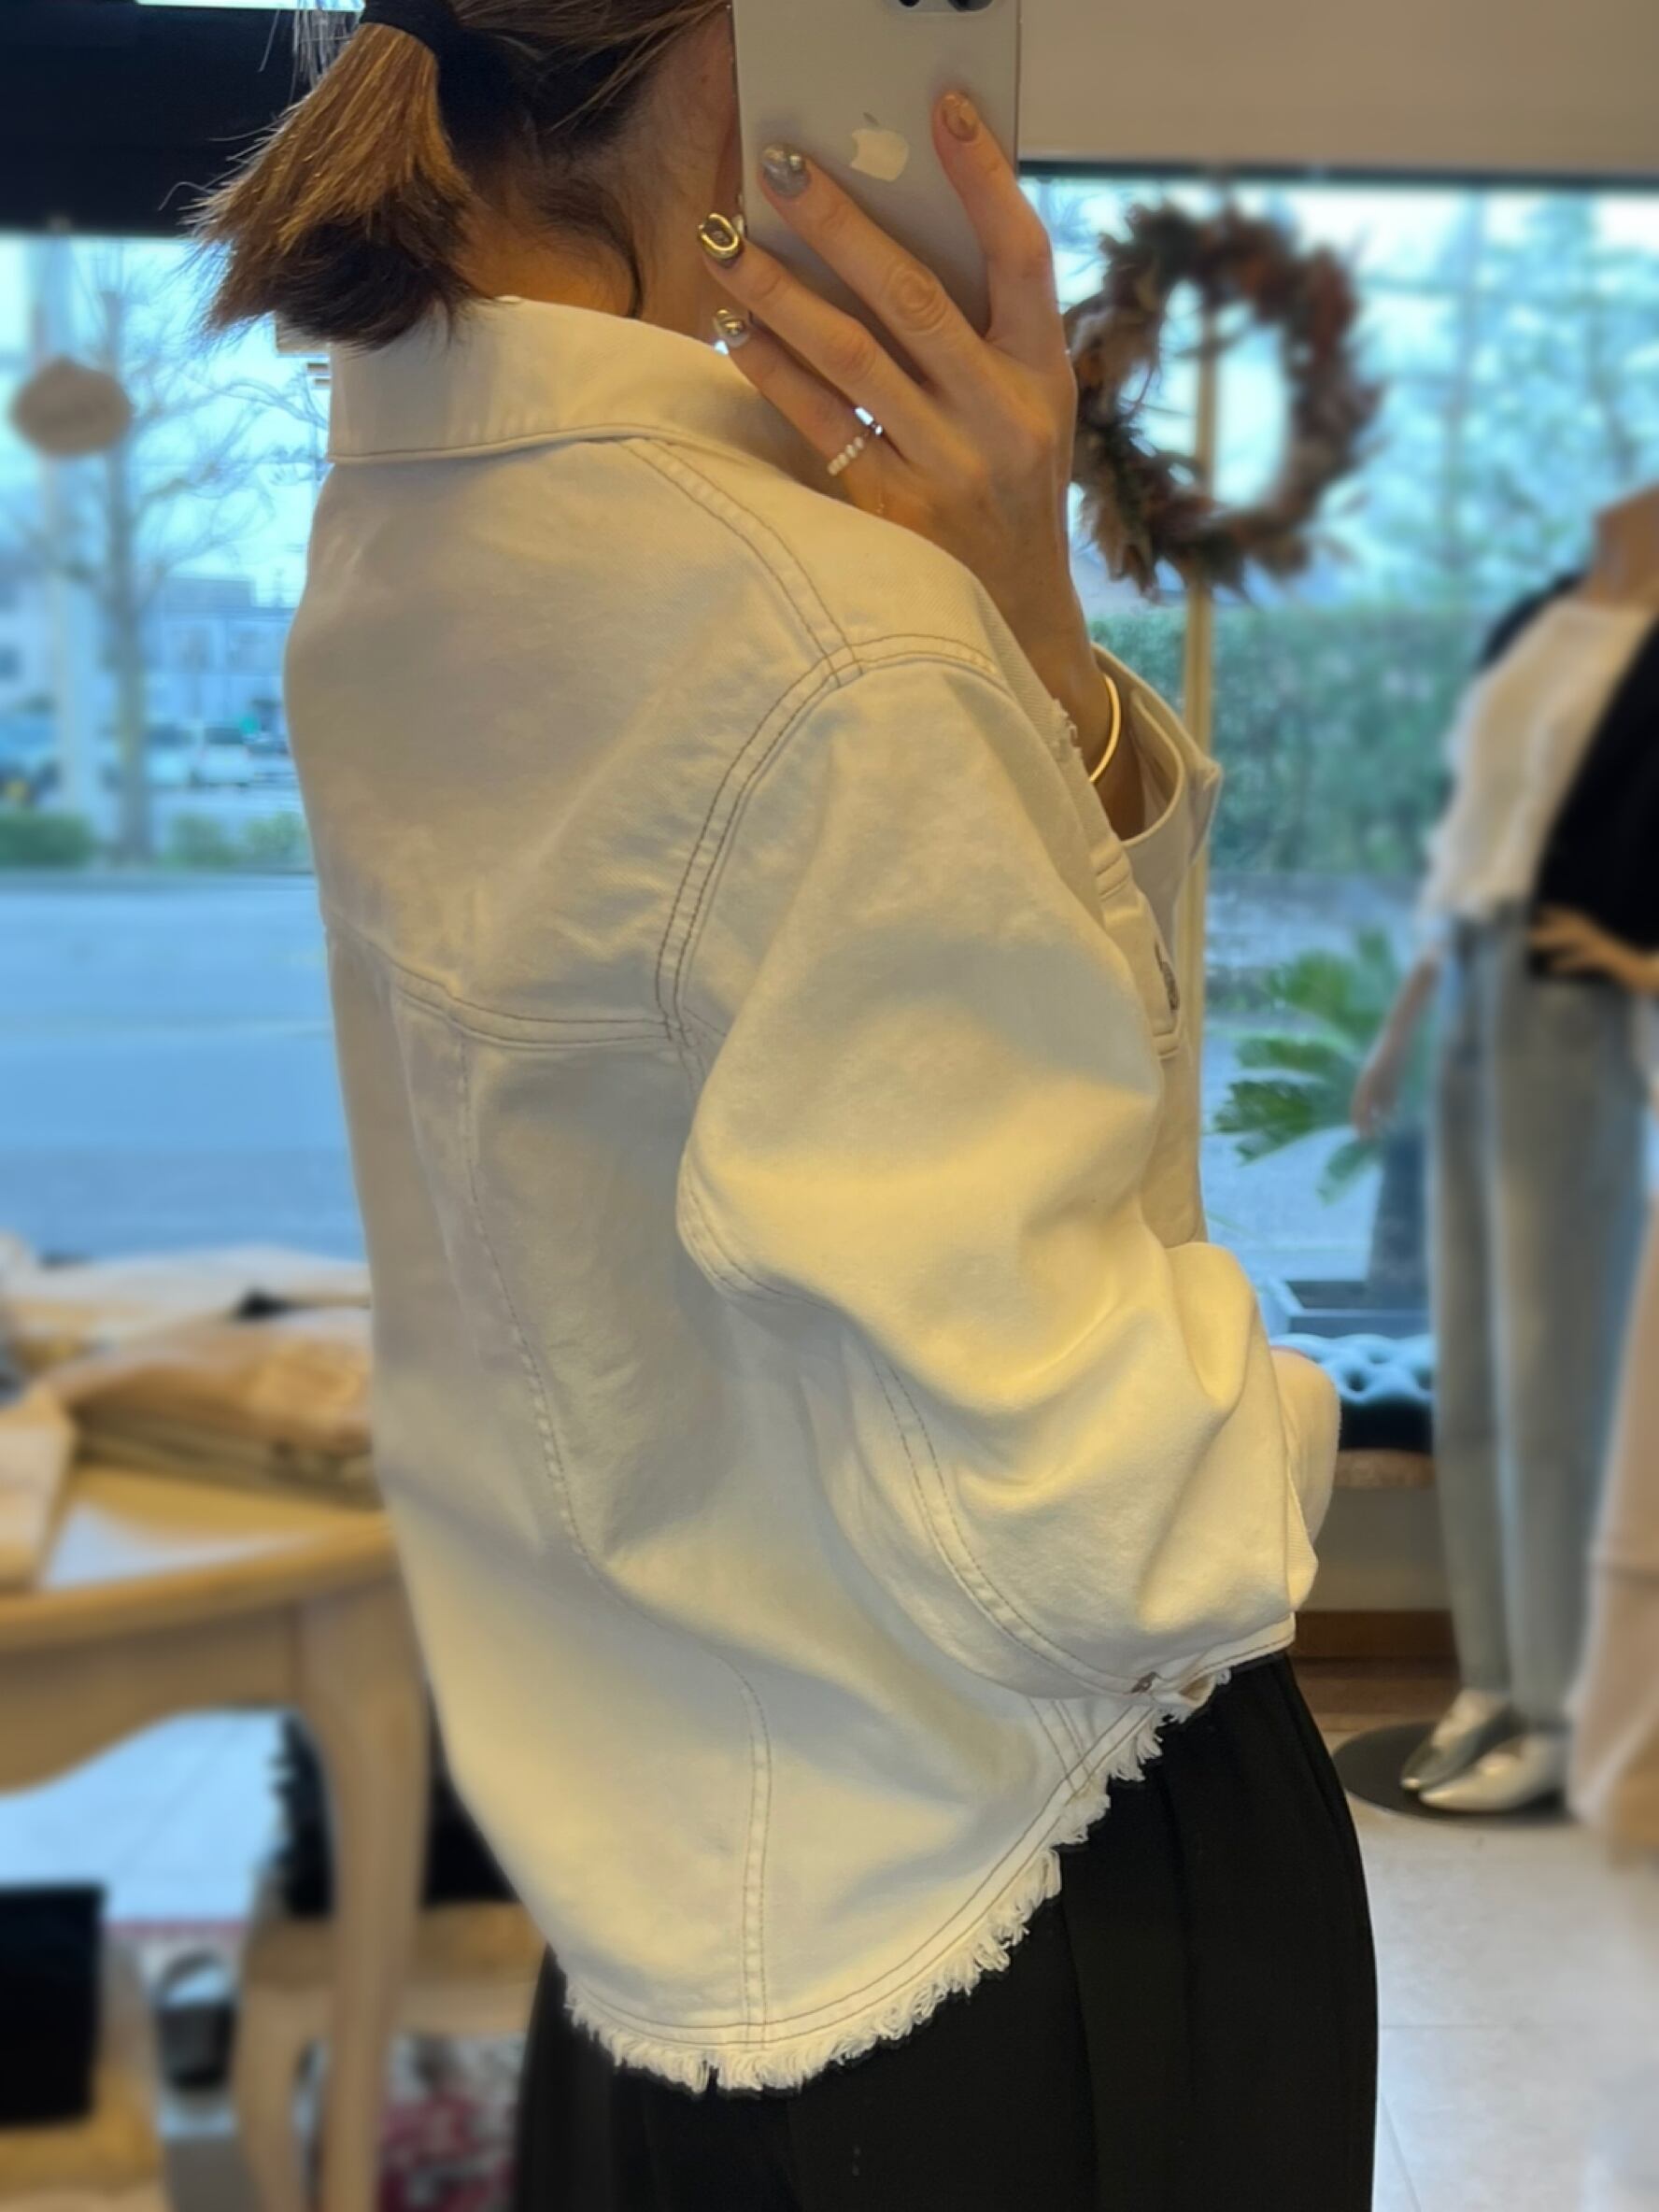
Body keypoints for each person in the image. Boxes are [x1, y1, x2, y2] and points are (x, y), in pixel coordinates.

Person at [203, 3, 1372, 2204]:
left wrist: (1020, 640)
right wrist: (1281, 1408)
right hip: (1019, 1919)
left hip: (666, 1914)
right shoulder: (828, 638)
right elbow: (1114, 1539)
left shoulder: (400, 531)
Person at [1354, 537, 1658, 1816]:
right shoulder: (1545, 611)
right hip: (1475, 983)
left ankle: (1556, 1704)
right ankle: (1489, 1674)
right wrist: (1403, 1024)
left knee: (1550, 1372)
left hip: (1578, 1008)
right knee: (1471, 1367)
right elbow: (1474, 834)